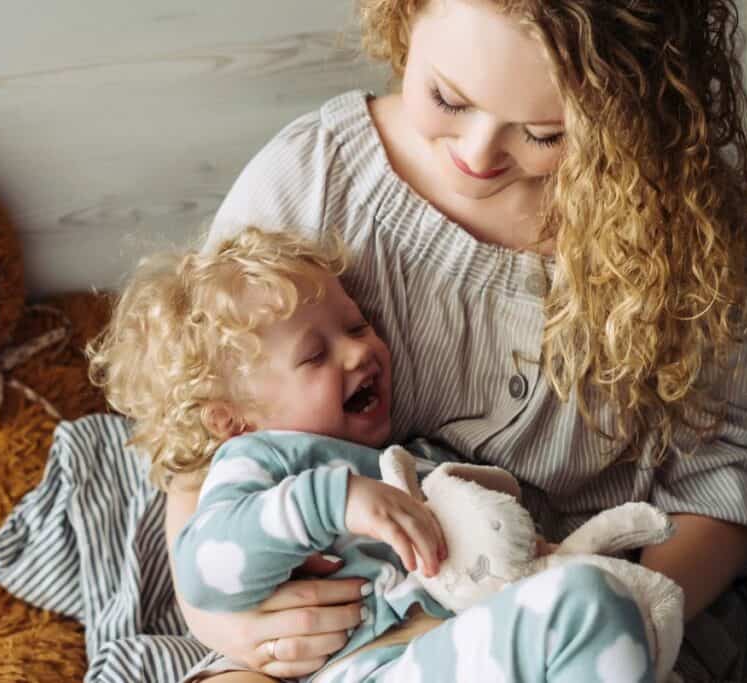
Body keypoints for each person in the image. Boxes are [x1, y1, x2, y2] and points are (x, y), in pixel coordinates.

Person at [162, 1, 747, 681]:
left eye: (543, 133)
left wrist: (619, 599)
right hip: (341, 641)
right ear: (404, 19)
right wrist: (225, 623)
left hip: (575, 614)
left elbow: (728, 478)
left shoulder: (684, 230)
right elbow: (199, 447)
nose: (478, 154)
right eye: (448, 97)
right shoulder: (315, 177)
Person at [88, 225, 660, 681]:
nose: (358, 351)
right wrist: (332, 502)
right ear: (233, 419)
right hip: (369, 667)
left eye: (357, 325)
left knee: (592, 603)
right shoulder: (261, 463)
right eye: (315, 356)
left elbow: (492, 552)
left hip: (458, 650)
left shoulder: (420, 462)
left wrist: (539, 557)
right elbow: (206, 568)